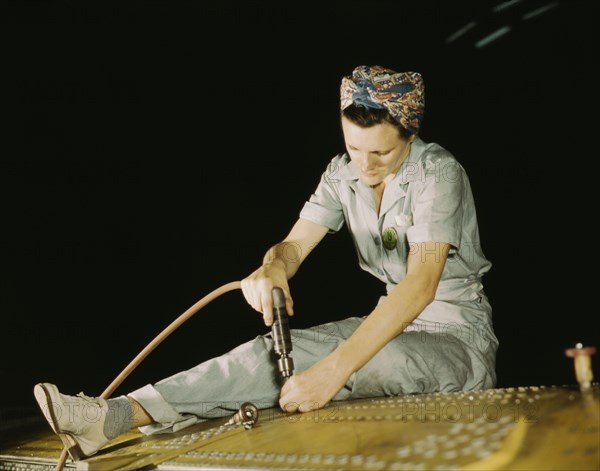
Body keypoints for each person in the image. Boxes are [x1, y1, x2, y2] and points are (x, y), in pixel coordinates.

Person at [33, 65, 498, 461]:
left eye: (382, 152)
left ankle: (331, 370)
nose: (365, 165)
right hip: (390, 322)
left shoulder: (438, 173)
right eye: (355, 148)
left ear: (410, 134)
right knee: (271, 354)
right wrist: (274, 268)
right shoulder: (342, 173)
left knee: (361, 361)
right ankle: (111, 417)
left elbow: (419, 286)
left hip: (456, 336)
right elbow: (292, 246)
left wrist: (331, 373)